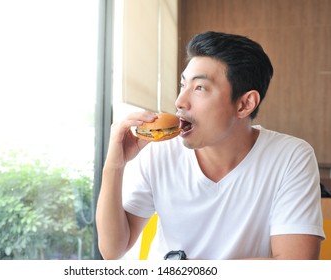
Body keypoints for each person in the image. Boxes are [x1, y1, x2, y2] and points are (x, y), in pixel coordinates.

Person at [96, 31, 325, 260]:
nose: (179, 102)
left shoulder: (290, 157)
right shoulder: (159, 152)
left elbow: (296, 266)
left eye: (199, 88)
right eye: (183, 85)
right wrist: (114, 166)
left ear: (245, 104)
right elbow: (113, 249)